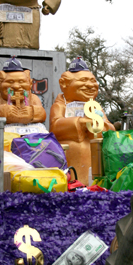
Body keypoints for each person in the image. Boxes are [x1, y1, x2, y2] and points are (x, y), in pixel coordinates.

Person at [50, 57, 115, 185]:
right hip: (72, 155)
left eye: (93, 81)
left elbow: (110, 130)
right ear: (64, 84)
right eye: (83, 80)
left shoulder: (96, 106)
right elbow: (55, 127)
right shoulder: (61, 105)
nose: (90, 85)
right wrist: (80, 123)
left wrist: (99, 126)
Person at [0, 57, 46, 124]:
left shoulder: (33, 98)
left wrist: (32, 111)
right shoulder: (1, 99)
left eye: (21, 81)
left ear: (30, 84)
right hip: (8, 130)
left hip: (29, 129)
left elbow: (42, 114)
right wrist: (5, 110)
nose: (16, 86)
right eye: (10, 81)